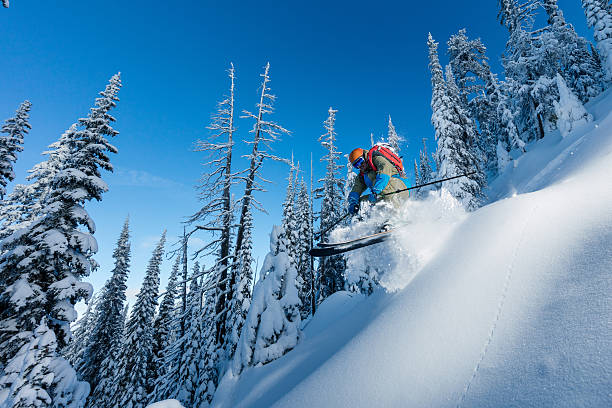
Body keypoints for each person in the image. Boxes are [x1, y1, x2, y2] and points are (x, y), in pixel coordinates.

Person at [347, 146, 410, 215]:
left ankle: (395, 216)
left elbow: (384, 174)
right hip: (383, 193)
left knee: (379, 183)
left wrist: (376, 191)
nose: (360, 166)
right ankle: (368, 222)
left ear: (364, 157)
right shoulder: (363, 175)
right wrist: (353, 203)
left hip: (400, 188)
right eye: (356, 165)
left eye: (360, 161)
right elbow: (356, 189)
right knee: (361, 202)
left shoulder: (377, 159)